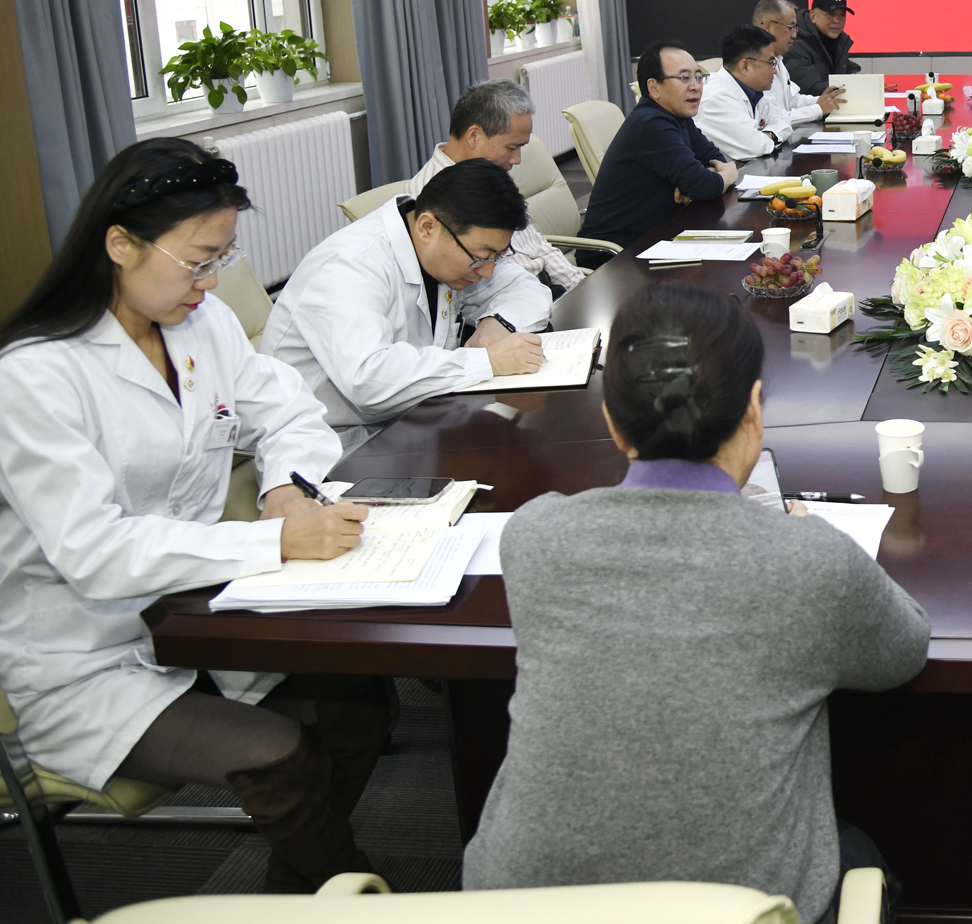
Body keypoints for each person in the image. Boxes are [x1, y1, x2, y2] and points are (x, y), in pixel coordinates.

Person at [464, 283, 930, 922]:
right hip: (745, 909)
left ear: (612, 421)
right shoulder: (808, 559)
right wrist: (807, 546)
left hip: (518, 911)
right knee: (860, 855)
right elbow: (904, 652)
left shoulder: (536, 536)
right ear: (754, 409)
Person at [0, 138, 387, 892]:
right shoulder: (35, 375)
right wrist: (274, 541)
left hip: (203, 615)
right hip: (86, 657)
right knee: (279, 756)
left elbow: (288, 411)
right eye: (197, 260)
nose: (210, 283)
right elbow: (96, 553)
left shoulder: (199, 324)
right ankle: (352, 892)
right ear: (119, 244)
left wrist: (284, 488)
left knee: (359, 705)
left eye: (222, 259)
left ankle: (301, 892)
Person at [263, 160, 550, 451]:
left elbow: (527, 289)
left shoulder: (443, 249)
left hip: (411, 422)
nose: (487, 272)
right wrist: (488, 361)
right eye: (481, 257)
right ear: (427, 227)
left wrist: (497, 324)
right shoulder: (349, 266)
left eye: (497, 257)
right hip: (327, 447)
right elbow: (368, 380)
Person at [408, 79, 584, 295]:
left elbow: (536, 245)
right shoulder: (428, 195)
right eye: (511, 147)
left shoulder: (490, 174)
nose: (517, 159)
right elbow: (468, 290)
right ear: (474, 136)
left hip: (545, 292)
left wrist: (581, 288)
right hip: (516, 302)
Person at [580, 44, 739, 249]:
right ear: (654, 87)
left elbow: (715, 160)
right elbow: (707, 183)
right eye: (684, 78)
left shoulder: (678, 117)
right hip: (618, 253)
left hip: (657, 235)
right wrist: (728, 173)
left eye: (699, 77)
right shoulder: (651, 124)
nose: (696, 86)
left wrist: (698, 182)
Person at [696, 25, 787, 162]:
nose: (775, 70)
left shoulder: (752, 91)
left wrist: (767, 135)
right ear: (745, 66)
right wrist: (772, 135)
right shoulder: (717, 97)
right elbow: (755, 148)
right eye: (771, 63)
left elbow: (784, 121)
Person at [754, 0, 845, 129]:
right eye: (790, 27)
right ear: (768, 27)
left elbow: (793, 101)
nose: (795, 34)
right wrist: (818, 109)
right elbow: (772, 118)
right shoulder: (754, 65)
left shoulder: (777, 60)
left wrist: (825, 100)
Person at [786, 0, 861, 96]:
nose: (836, 20)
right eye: (830, 14)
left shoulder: (836, 41)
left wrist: (857, 76)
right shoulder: (794, 45)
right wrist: (852, 82)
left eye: (842, 15)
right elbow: (813, 89)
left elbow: (849, 68)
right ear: (813, 16)